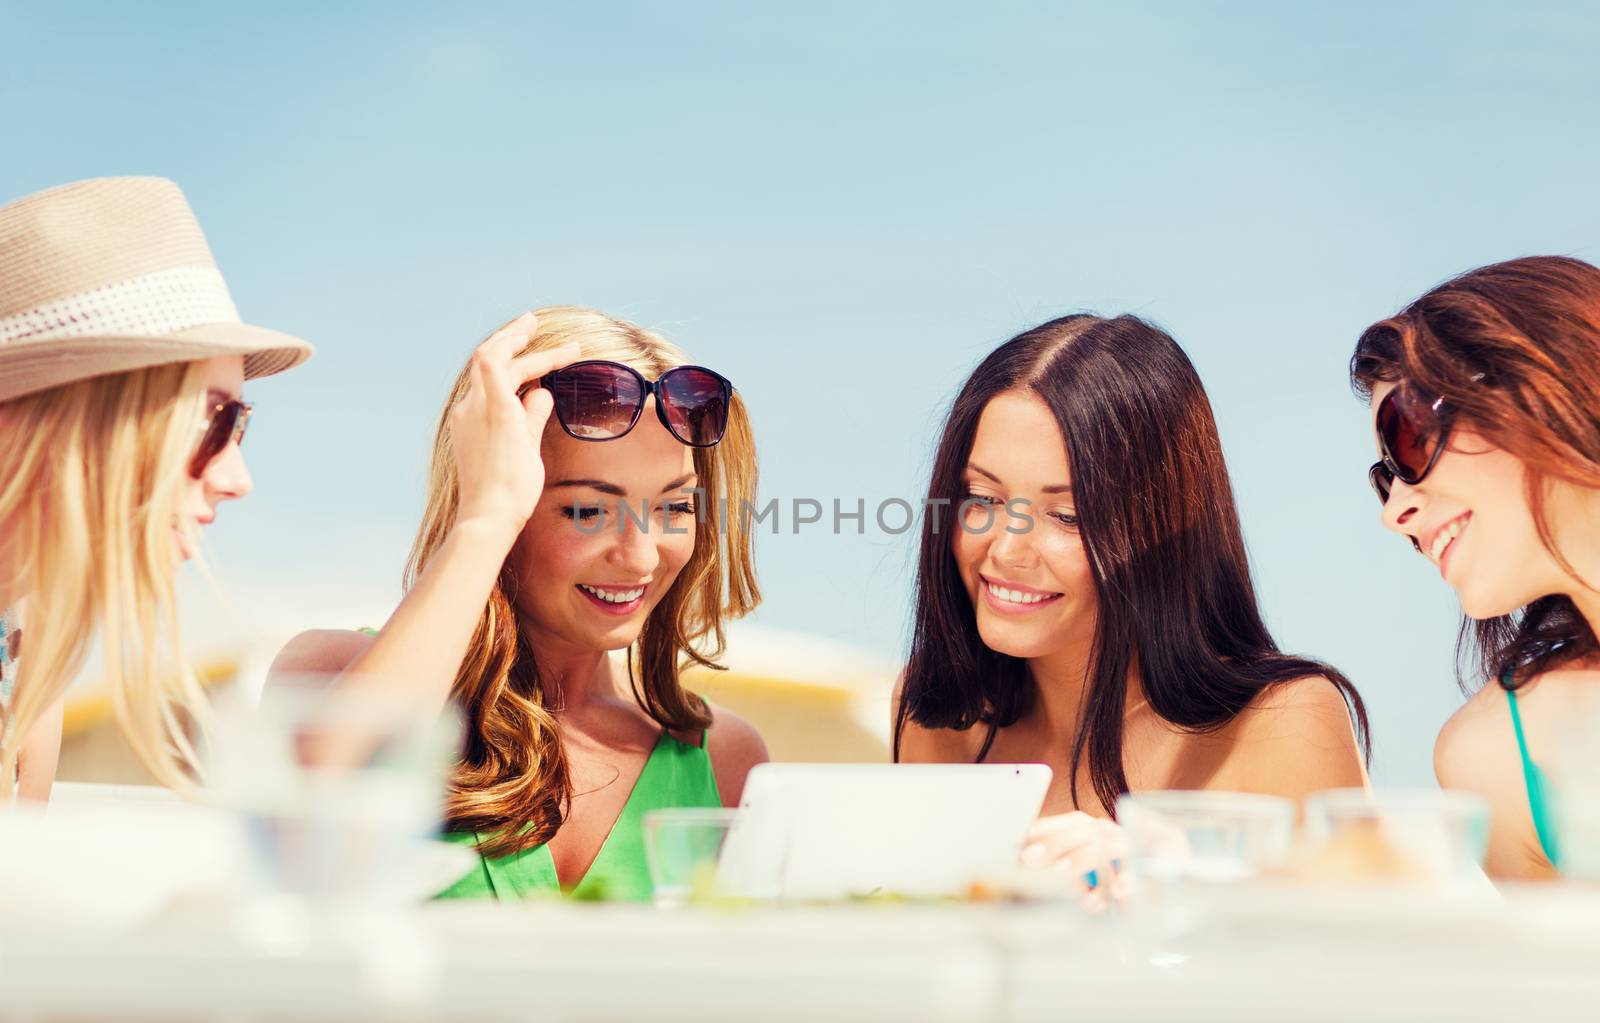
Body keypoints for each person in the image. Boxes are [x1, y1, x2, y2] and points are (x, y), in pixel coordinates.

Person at [268, 307, 767, 901]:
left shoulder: (724, 760)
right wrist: (484, 521)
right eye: (587, 510)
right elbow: (317, 821)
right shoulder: (328, 673)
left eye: (676, 508)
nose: (639, 558)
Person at [895, 313, 1369, 898]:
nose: (1008, 550)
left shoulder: (1284, 723)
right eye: (982, 498)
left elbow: (1356, 969)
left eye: (1066, 516)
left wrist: (1164, 882)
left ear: (1163, 529)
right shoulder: (936, 717)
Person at [0, 176, 312, 799]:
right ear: (59, 424)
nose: (236, 479)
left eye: (241, 427)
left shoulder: (26, 652)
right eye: (215, 420)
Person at [1353, 255, 1600, 880]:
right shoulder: (1500, 756)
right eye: (1385, 483)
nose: (1395, 514)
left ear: (1546, 383)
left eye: (1407, 437)